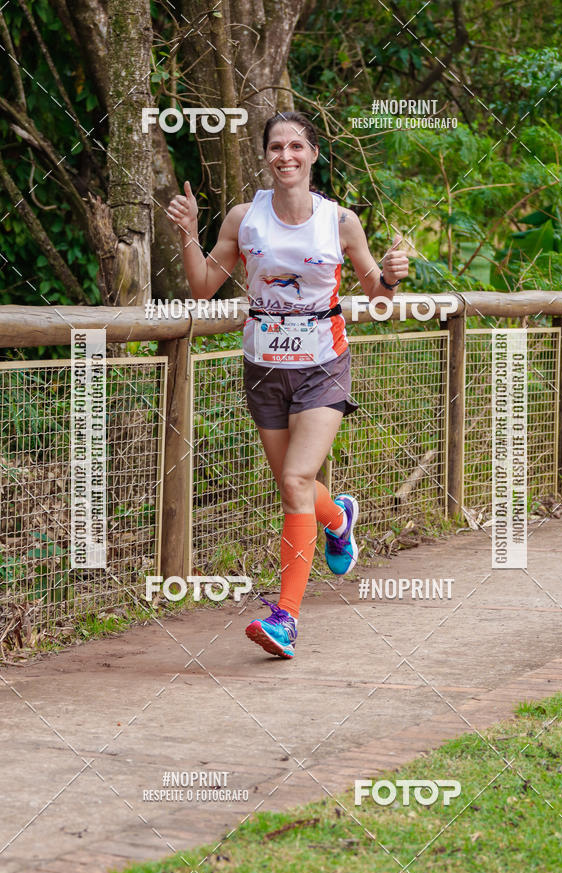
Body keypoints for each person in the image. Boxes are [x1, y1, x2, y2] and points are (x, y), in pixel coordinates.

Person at [167, 111, 409, 660]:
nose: (286, 156)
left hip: (324, 363)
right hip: (264, 367)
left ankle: (285, 619)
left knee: (298, 478)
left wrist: (391, 274)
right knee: (293, 486)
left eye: (296, 146)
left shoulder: (340, 221)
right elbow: (203, 286)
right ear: (267, 155)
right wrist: (186, 233)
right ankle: (338, 517)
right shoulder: (243, 218)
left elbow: (379, 299)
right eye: (276, 147)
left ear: (313, 154)